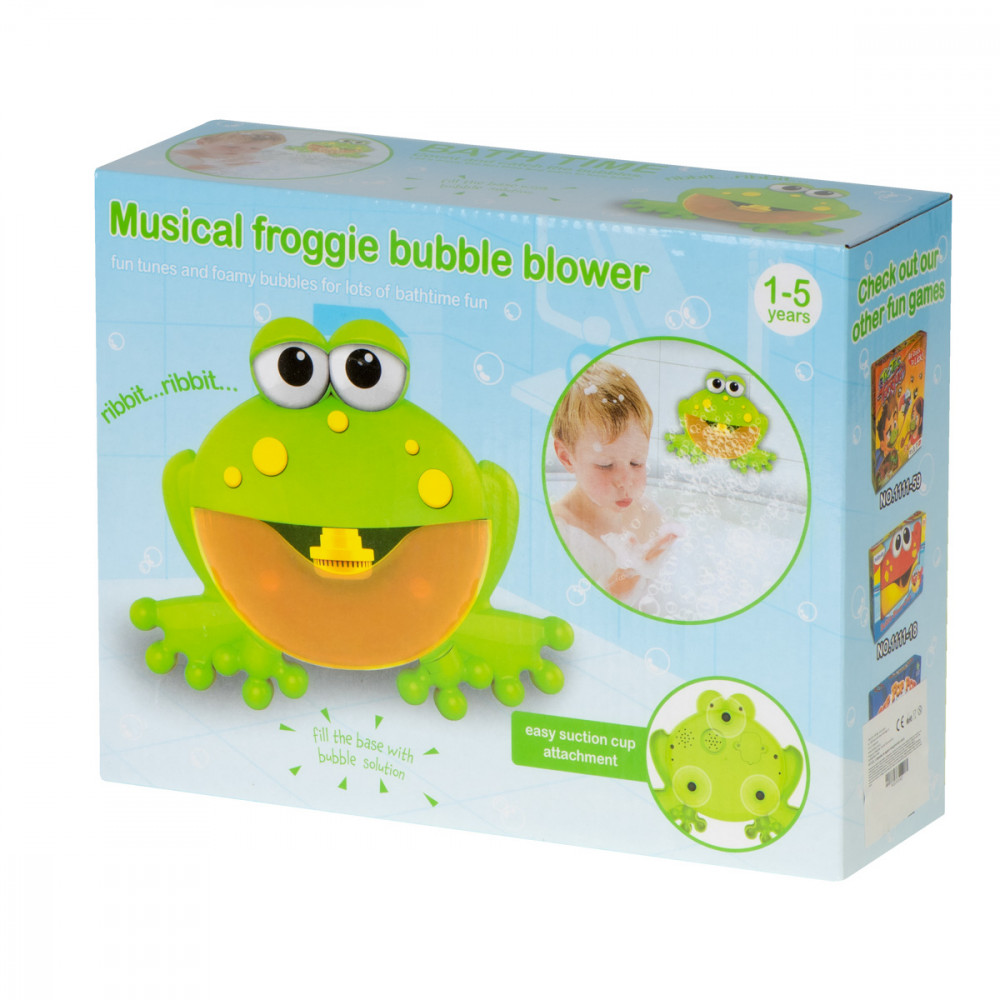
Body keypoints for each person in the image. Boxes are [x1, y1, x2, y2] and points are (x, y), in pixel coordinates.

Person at [551, 361, 678, 603]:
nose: (625, 482)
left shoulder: (650, 516)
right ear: (567, 457)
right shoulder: (560, 532)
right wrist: (618, 588)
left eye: (636, 463)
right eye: (605, 465)